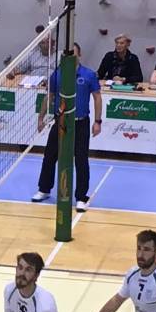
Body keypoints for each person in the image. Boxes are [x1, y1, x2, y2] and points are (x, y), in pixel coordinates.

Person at [31, 43, 102, 212]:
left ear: (79, 55)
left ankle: (81, 197)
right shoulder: (57, 74)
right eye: (67, 55)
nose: (70, 57)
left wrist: (98, 121)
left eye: (73, 54)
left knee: (81, 159)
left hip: (81, 122)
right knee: (50, 155)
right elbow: (49, 96)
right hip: (61, 121)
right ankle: (44, 189)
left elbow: (97, 98)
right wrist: (41, 117)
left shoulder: (89, 75)